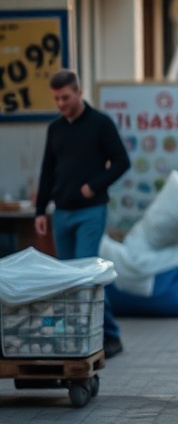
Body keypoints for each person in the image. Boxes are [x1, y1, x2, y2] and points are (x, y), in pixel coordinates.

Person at [34, 69, 131, 359]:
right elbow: (47, 171)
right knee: (69, 281)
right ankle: (79, 335)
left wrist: (94, 186)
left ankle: (110, 336)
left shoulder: (100, 124)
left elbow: (122, 161)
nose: (61, 103)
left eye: (65, 97)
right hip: (62, 213)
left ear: (79, 92)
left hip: (91, 211)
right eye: (56, 99)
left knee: (86, 275)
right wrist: (40, 210)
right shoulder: (55, 129)